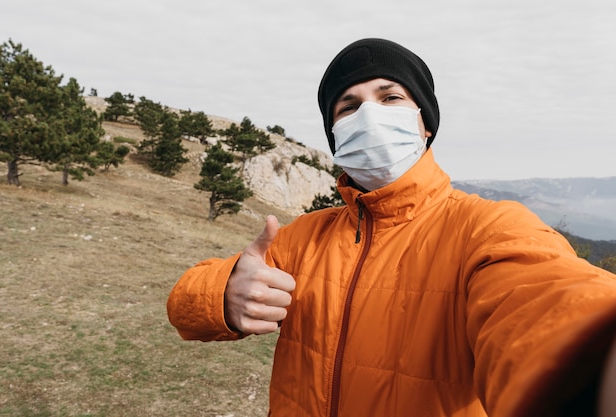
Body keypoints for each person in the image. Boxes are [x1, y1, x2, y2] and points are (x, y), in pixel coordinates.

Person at [167, 38, 616, 416]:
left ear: (425, 124)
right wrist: (224, 292)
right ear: (336, 136)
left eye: (390, 97)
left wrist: (592, 355)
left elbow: (545, 300)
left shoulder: (487, 227)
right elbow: (182, 304)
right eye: (348, 106)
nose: (370, 115)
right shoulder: (305, 235)